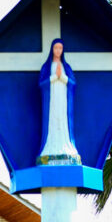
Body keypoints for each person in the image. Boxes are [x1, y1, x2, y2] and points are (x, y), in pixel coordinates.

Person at [36, 38, 81, 166]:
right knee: (52, 121)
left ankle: (65, 146)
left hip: (64, 100)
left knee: (63, 120)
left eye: (60, 48)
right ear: (52, 49)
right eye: (56, 48)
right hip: (51, 101)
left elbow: (73, 84)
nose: (58, 50)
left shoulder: (66, 67)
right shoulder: (47, 67)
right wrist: (55, 77)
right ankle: (50, 147)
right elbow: (41, 84)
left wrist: (63, 77)